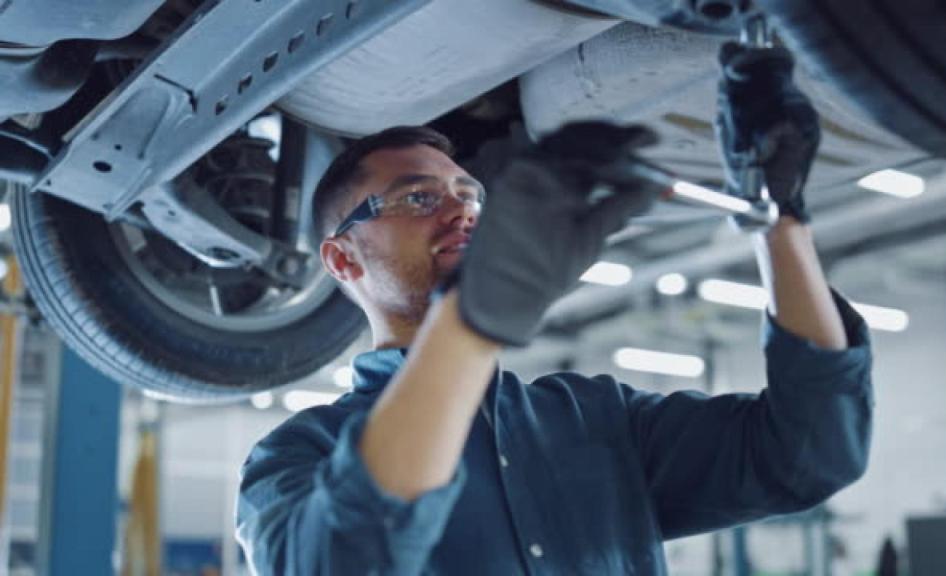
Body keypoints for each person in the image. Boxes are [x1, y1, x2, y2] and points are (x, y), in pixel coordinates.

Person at [235, 42, 873, 575]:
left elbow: (810, 453)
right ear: (343, 260)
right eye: (419, 200)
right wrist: (470, 323)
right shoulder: (296, 456)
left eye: (470, 195)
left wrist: (778, 217)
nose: (461, 210)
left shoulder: (596, 419)